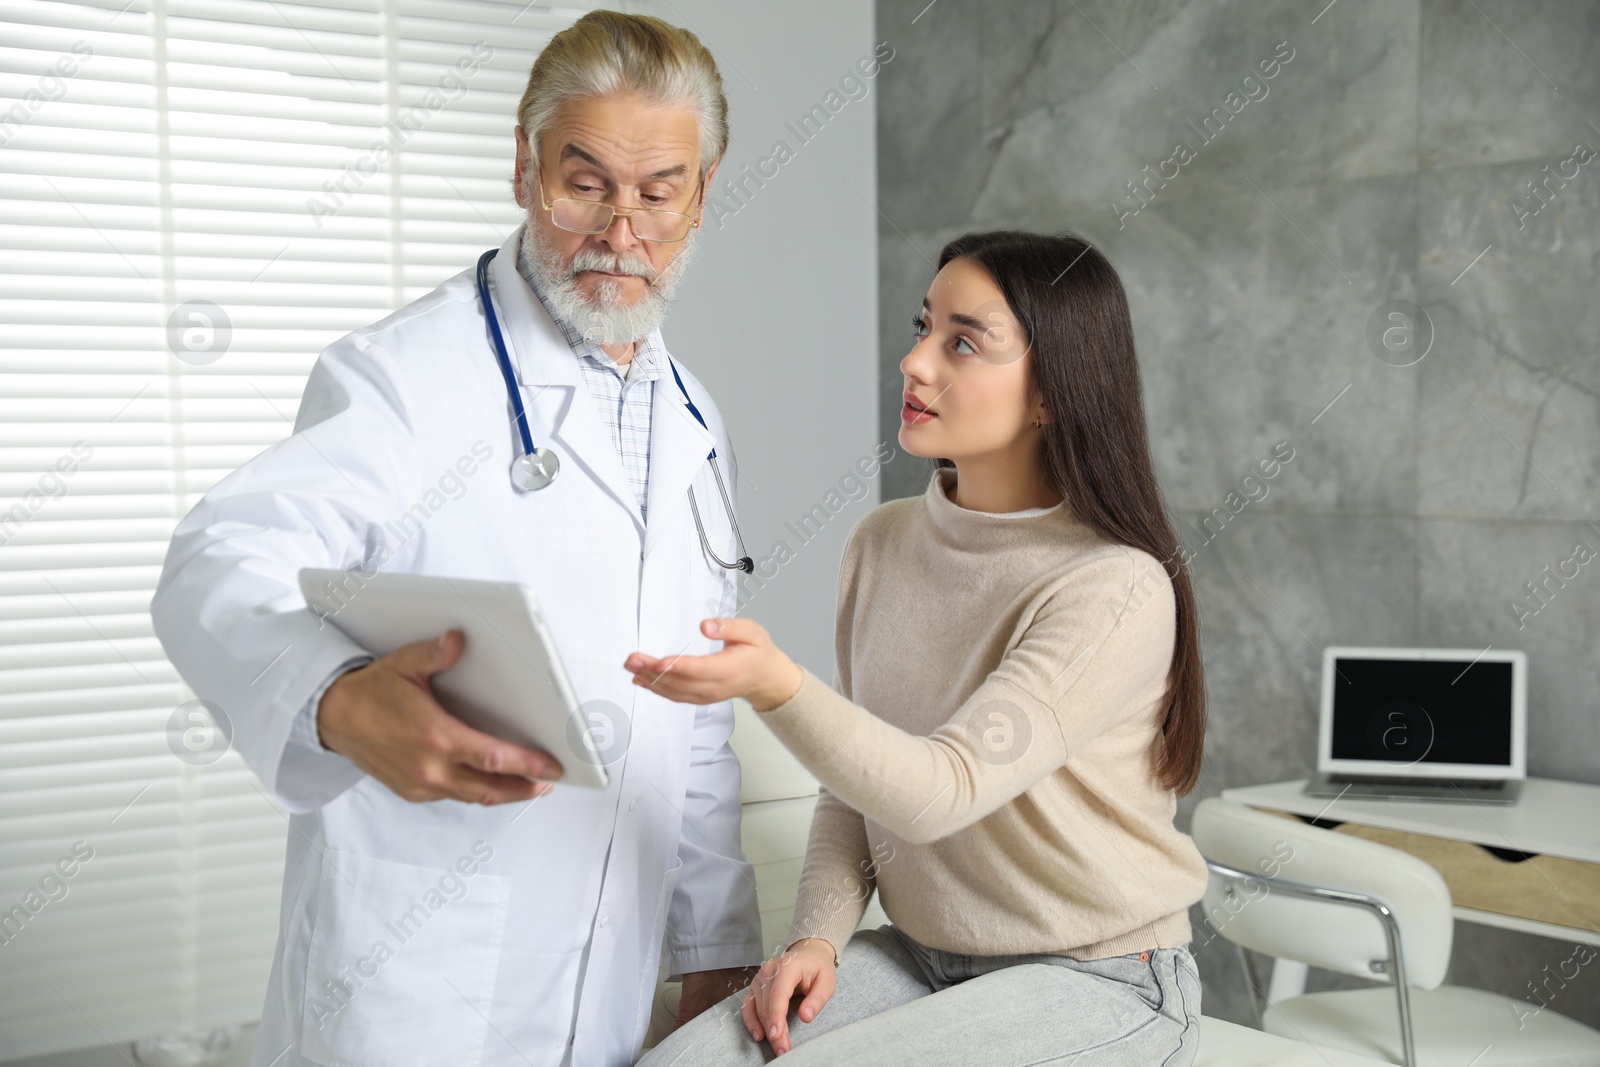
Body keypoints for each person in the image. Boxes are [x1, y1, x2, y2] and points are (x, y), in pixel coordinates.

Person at [149, 12, 765, 1067]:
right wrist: (336, 700)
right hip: (416, 987)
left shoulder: (695, 419)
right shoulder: (405, 376)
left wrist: (713, 941)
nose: (621, 229)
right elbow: (215, 559)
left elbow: (697, 712)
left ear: (701, 195)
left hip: (608, 985)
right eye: (585, 183)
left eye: (657, 191)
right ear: (525, 168)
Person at [626, 230, 1210, 1065]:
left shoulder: (1112, 588)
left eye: (963, 342)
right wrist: (818, 940)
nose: (915, 362)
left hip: (1103, 978)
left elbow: (943, 791)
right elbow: (852, 792)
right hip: (926, 957)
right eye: (923, 326)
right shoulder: (884, 542)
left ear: (1052, 391)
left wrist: (776, 686)